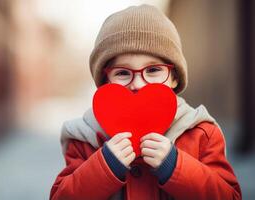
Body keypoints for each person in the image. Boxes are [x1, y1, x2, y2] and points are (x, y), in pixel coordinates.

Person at [50, 5, 241, 200]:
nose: (138, 83)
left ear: (175, 77)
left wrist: (175, 166)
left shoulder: (201, 134)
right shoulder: (85, 138)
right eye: (123, 73)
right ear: (105, 81)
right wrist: (104, 166)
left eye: (153, 70)